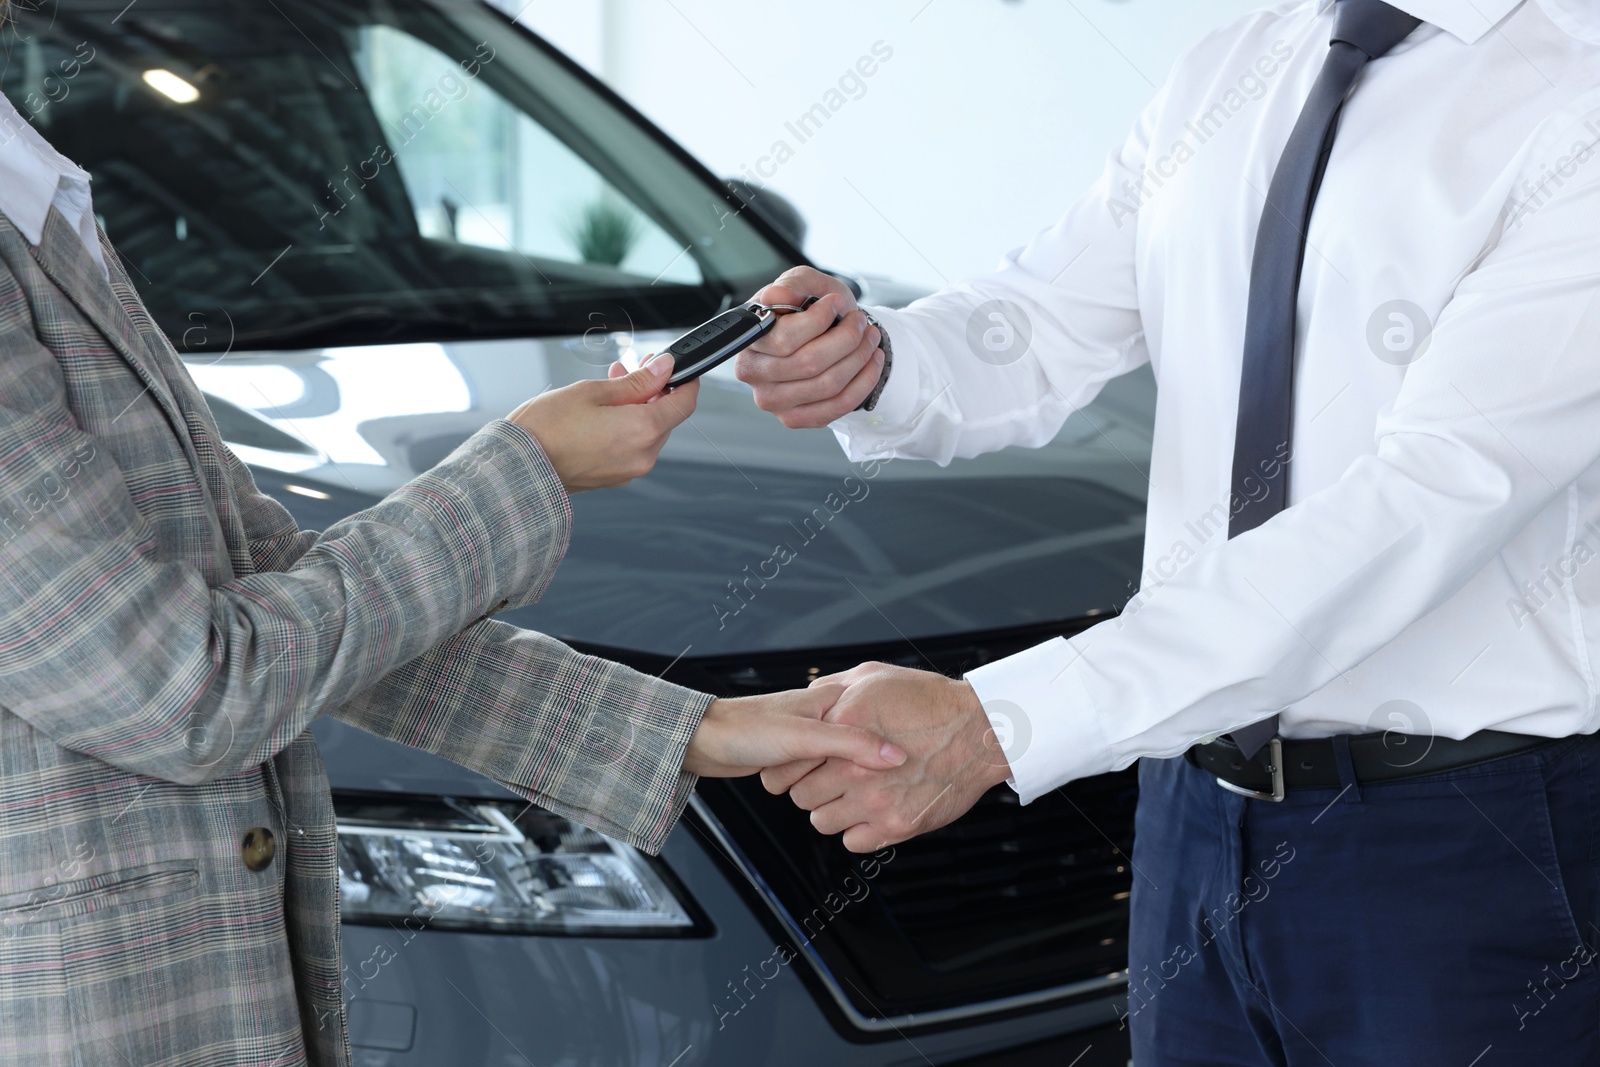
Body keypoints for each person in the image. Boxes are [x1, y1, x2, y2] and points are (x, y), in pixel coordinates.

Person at [0, 36, 905, 1067]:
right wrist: (529, 466)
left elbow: (277, 594)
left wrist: (697, 728)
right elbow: (182, 685)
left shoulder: (36, 190)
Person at [739, 0, 1600, 1062]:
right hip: (1192, 816)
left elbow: (1425, 498)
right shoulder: (1236, 62)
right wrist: (874, 359)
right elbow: (1043, 320)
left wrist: (997, 719)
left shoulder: (1577, 94)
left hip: (1453, 840)